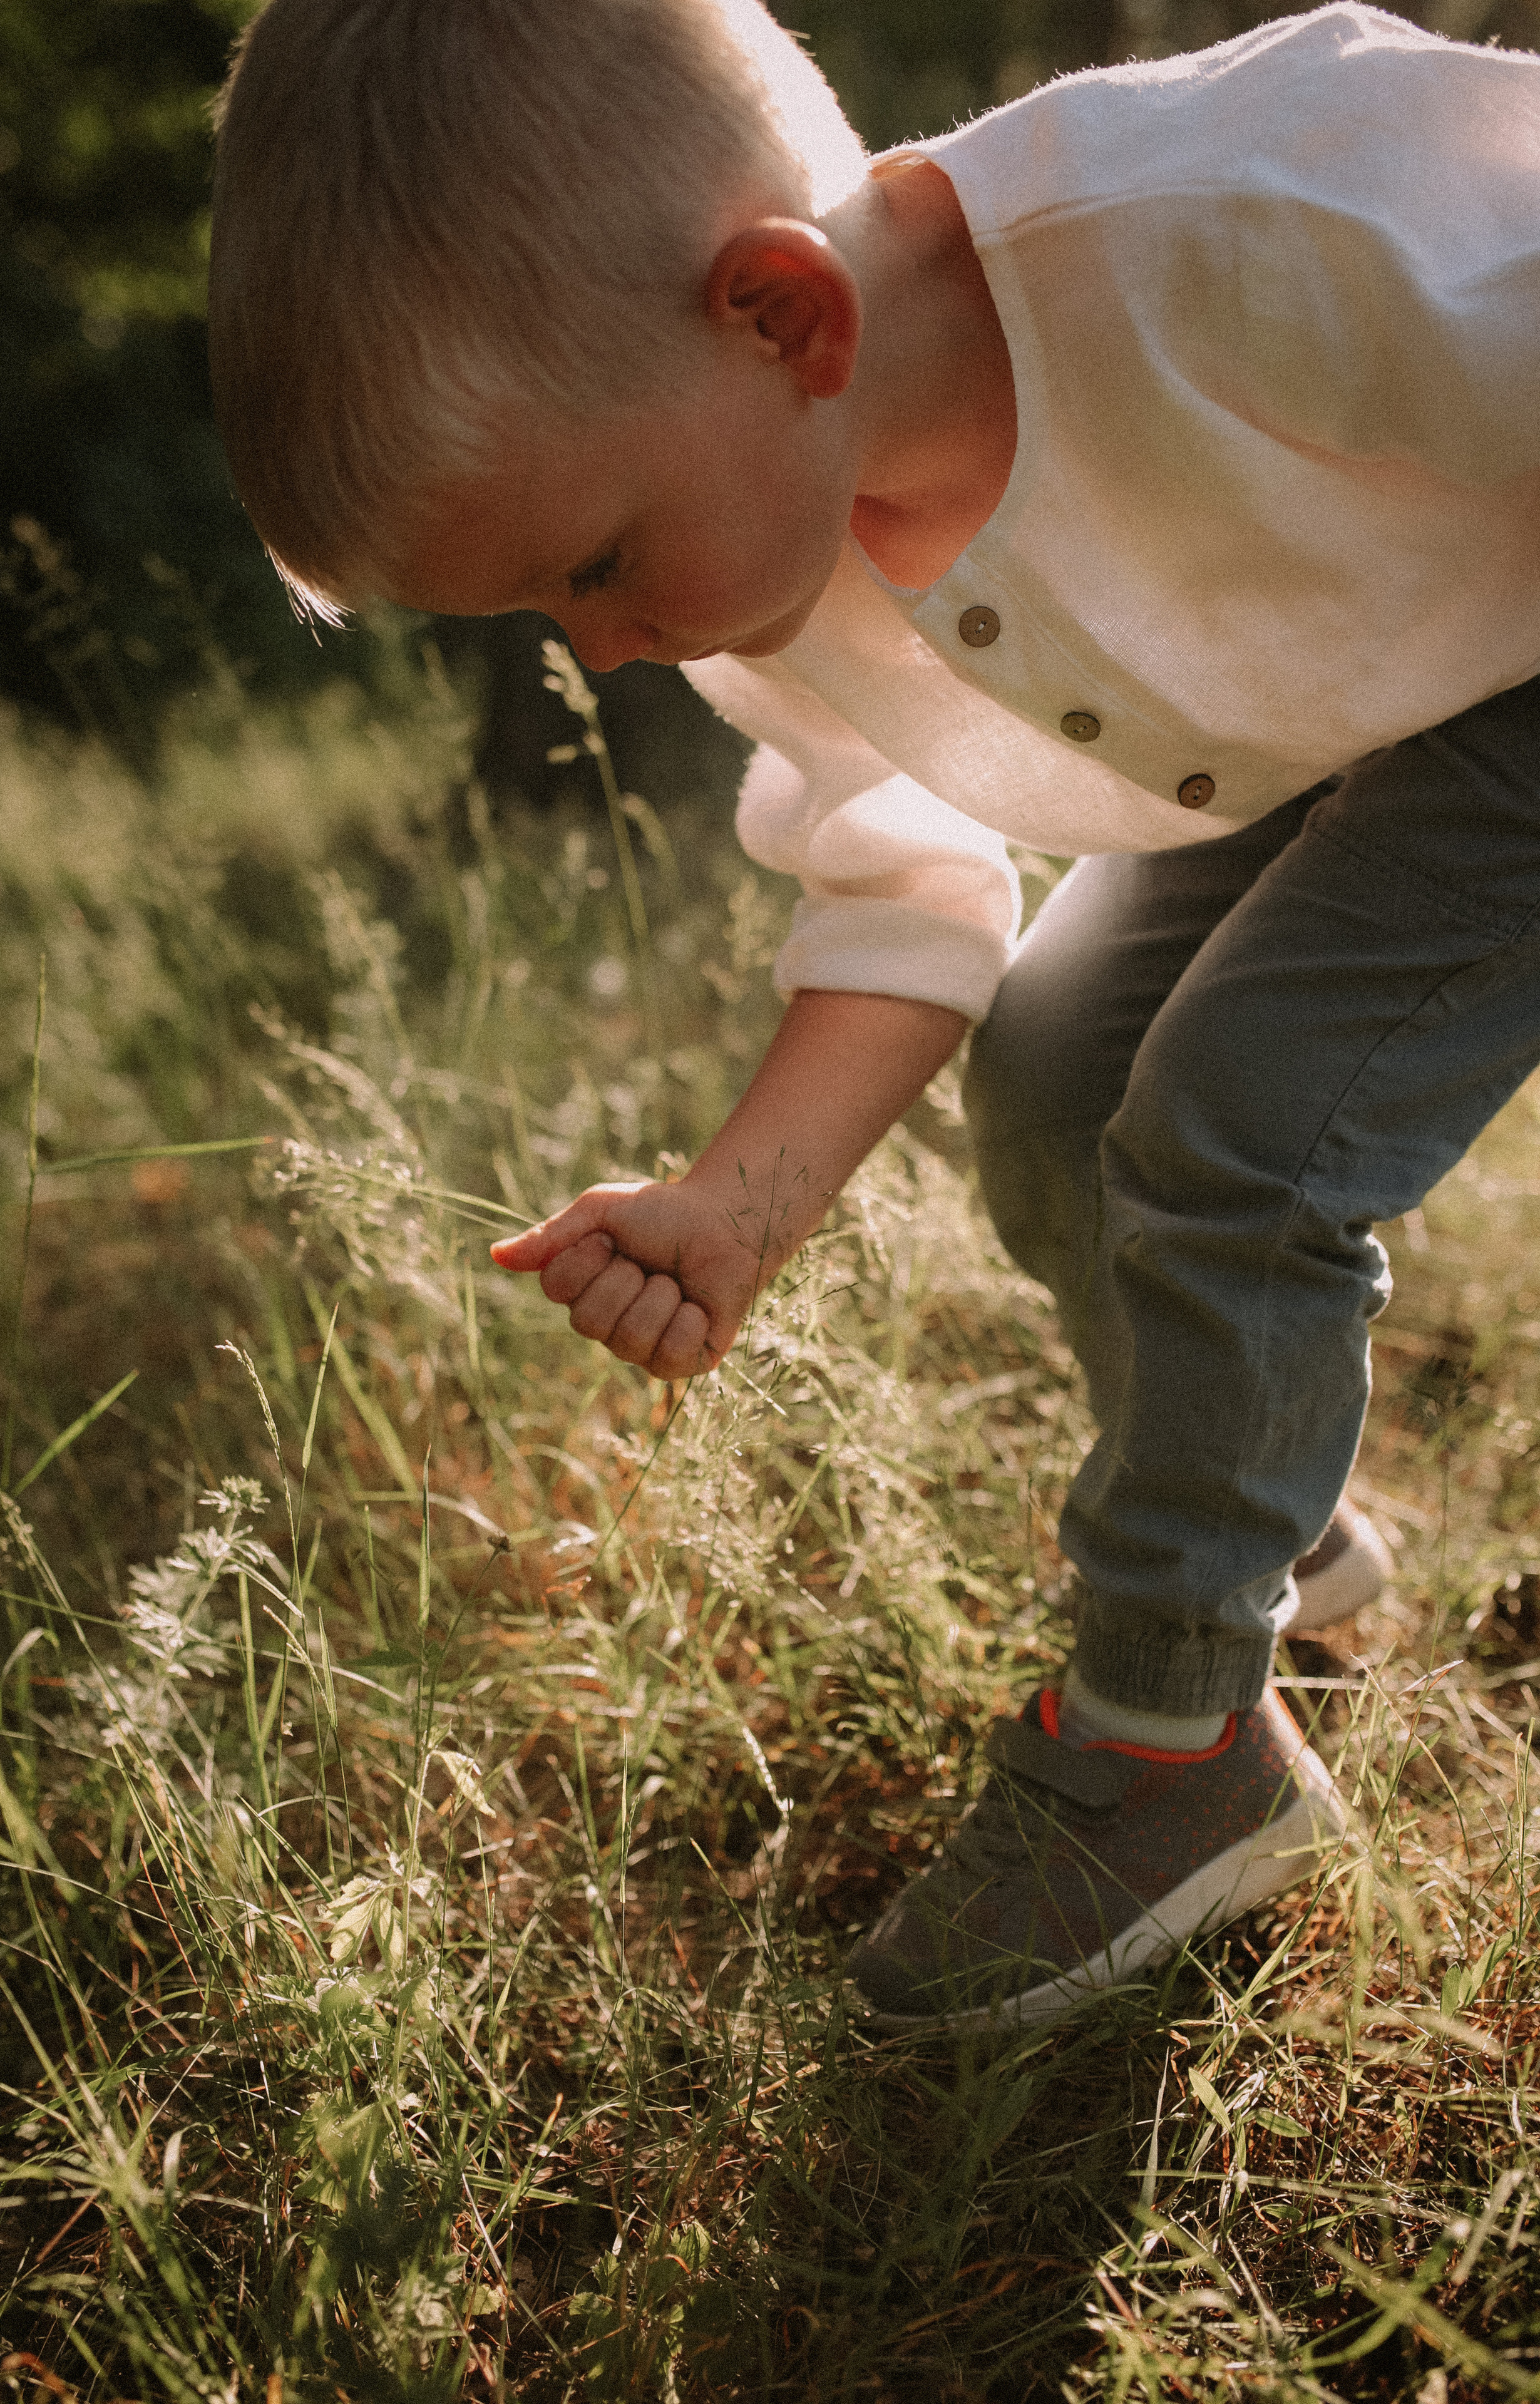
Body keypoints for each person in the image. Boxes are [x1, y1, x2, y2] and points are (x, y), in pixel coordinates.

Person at [208, 0, 1540, 2032]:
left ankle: (1172, 1746)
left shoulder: (1247, 216)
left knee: (1241, 1120)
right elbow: (914, 878)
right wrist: (740, 1207)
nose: (602, 643)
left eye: (593, 562)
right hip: (1343, 710)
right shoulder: (780, 557)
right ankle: (1278, 1522)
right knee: (1056, 1068)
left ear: (783, 316)